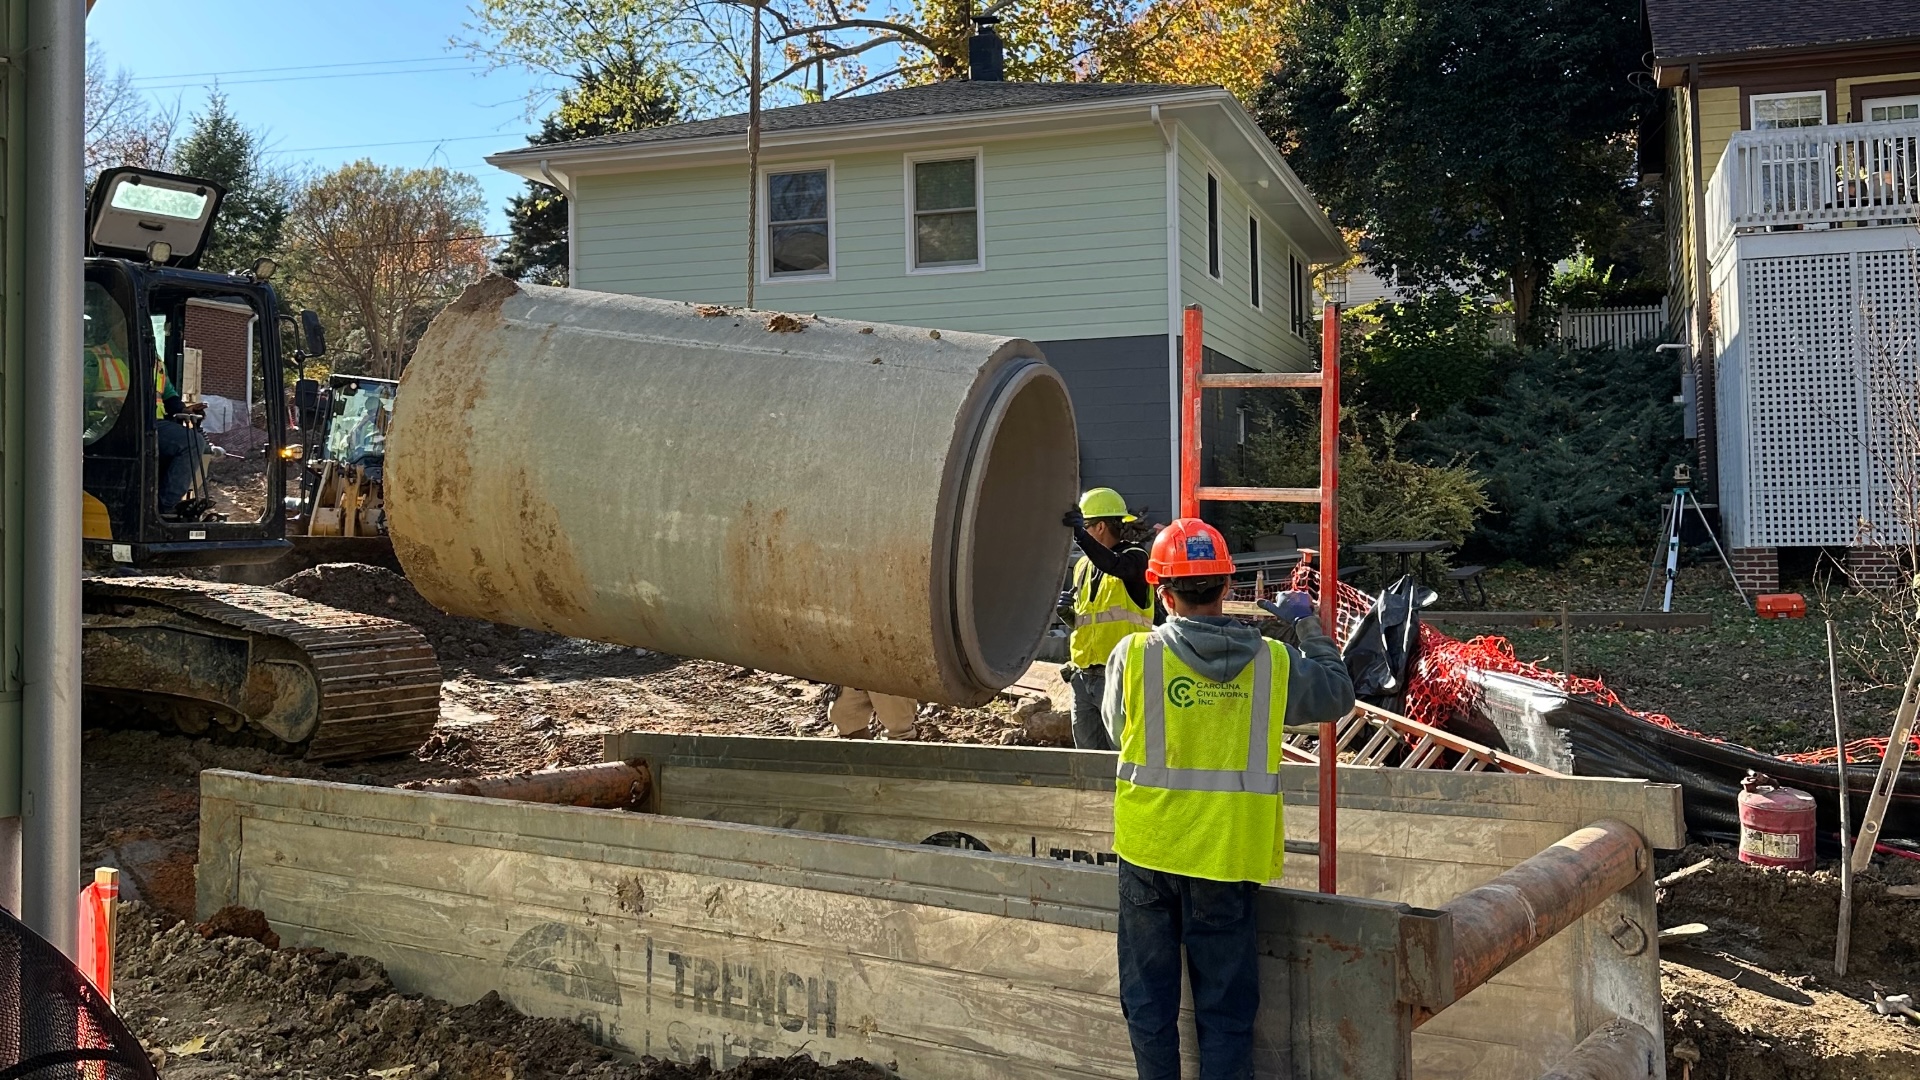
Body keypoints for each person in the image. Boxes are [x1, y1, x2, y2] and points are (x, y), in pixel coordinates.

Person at [1100, 518, 1353, 1079]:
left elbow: (1120, 730)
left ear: (1160, 591)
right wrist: (1307, 624)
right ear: (1228, 587)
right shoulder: (1273, 662)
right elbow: (1339, 693)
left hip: (1149, 853)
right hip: (1227, 855)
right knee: (1227, 1012)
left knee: (1148, 1002)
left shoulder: (1133, 656)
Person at [1060, 487, 1153, 751]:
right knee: (1089, 758)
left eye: (1084, 525)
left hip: (1119, 676)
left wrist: (1080, 538)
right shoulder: (1082, 566)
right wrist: (1069, 616)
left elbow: (1115, 565)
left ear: (1100, 526)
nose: (1080, 532)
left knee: (1123, 754)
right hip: (1083, 676)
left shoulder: (1136, 557)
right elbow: (1090, 622)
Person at [828, 686, 919, 741]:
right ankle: (861, 764)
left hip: (889, 666)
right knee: (846, 721)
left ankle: (898, 767)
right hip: (853, 666)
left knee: (898, 726)